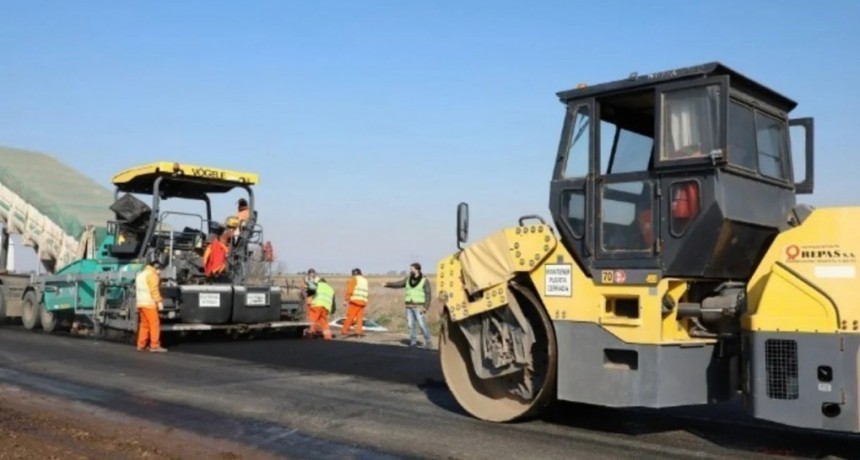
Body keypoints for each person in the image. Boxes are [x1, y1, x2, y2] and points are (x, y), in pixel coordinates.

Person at [384, 262, 432, 348]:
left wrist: (426, 307)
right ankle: (413, 343)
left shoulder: (424, 280)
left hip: (419, 306)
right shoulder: (408, 279)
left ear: (417, 270)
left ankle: (428, 342)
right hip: (409, 306)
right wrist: (388, 284)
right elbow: (398, 284)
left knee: (422, 324)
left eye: (412, 269)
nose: (410, 271)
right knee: (411, 325)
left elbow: (428, 294)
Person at [136, 252, 167, 353]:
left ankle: (141, 344)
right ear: (155, 266)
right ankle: (155, 345)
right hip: (149, 303)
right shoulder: (152, 275)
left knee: (144, 324)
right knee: (154, 324)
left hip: (140, 303)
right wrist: (159, 302)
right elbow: (154, 290)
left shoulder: (141, 274)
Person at [341, 268, 369, 338]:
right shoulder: (365, 280)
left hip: (355, 301)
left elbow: (349, 290)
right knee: (359, 319)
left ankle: (344, 331)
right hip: (363, 301)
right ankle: (359, 333)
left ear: (353, 274)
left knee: (350, 316)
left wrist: (346, 300)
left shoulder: (354, 279)